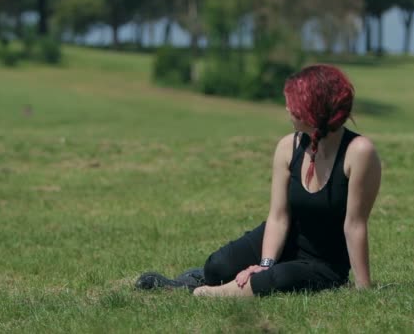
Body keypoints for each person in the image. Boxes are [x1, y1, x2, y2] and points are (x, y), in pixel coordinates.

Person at [136, 64, 381, 297]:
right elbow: (278, 216)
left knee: (275, 280)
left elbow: (355, 225)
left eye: (293, 104)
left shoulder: (359, 152)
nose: (287, 109)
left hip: (323, 263)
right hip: (287, 241)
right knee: (217, 266)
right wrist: (265, 263)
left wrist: (363, 287)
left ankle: (201, 293)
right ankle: (204, 279)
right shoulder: (288, 146)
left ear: (313, 108)